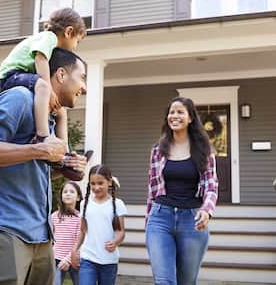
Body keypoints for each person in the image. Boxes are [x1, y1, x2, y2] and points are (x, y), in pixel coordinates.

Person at [0, 47, 87, 285]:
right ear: (60, 75)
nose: (84, 87)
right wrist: (39, 149)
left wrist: (64, 168)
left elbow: (29, 168)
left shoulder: (47, 119)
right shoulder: (19, 98)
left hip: (41, 235)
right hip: (6, 228)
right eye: (82, 77)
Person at [145, 96, 219, 285]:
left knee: (186, 282)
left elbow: (211, 184)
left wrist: (206, 210)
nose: (174, 116)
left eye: (180, 112)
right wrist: (148, 221)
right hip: (160, 218)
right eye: (171, 112)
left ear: (190, 118)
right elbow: (152, 190)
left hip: (192, 220)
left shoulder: (204, 150)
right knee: (164, 281)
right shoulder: (158, 150)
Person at [0, 7, 86, 147]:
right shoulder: (49, 38)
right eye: (77, 41)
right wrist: (49, 89)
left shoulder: (48, 42)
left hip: (19, 75)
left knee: (58, 107)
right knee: (43, 86)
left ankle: (61, 148)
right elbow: (40, 59)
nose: (75, 46)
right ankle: (42, 136)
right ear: (69, 32)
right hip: (11, 75)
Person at [72, 165, 127, 285]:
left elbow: (121, 232)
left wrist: (115, 242)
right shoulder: (84, 204)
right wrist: (74, 250)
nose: (96, 187)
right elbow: (82, 230)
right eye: (93, 184)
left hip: (108, 260)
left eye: (100, 183)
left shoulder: (118, 204)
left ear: (109, 182)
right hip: (88, 258)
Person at [52, 181, 83, 285]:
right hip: (56, 260)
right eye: (65, 192)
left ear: (78, 197)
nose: (68, 193)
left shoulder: (80, 218)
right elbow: (51, 240)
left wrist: (68, 260)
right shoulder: (54, 216)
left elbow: (80, 242)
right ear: (61, 196)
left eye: (72, 192)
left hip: (75, 259)